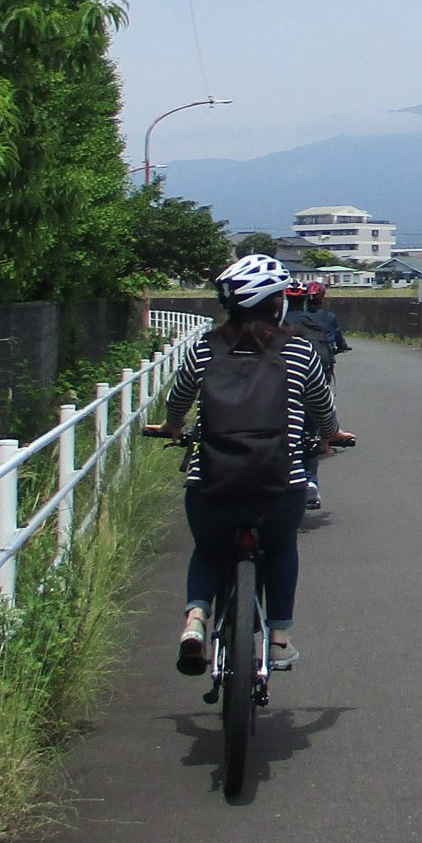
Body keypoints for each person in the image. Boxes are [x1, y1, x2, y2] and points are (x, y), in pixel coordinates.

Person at [148, 254, 335, 675]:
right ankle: (281, 639)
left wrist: (172, 427)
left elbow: (178, 402)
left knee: (210, 550)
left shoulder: (204, 349)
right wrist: (328, 437)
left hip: (211, 482)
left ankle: (196, 619)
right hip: (280, 484)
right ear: (276, 303)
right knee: (283, 546)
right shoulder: (300, 351)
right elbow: (323, 408)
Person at [284, 276, 356, 509]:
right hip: (315, 378)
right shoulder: (317, 322)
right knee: (312, 429)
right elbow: (335, 340)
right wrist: (331, 430)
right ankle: (311, 481)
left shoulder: (277, 326)